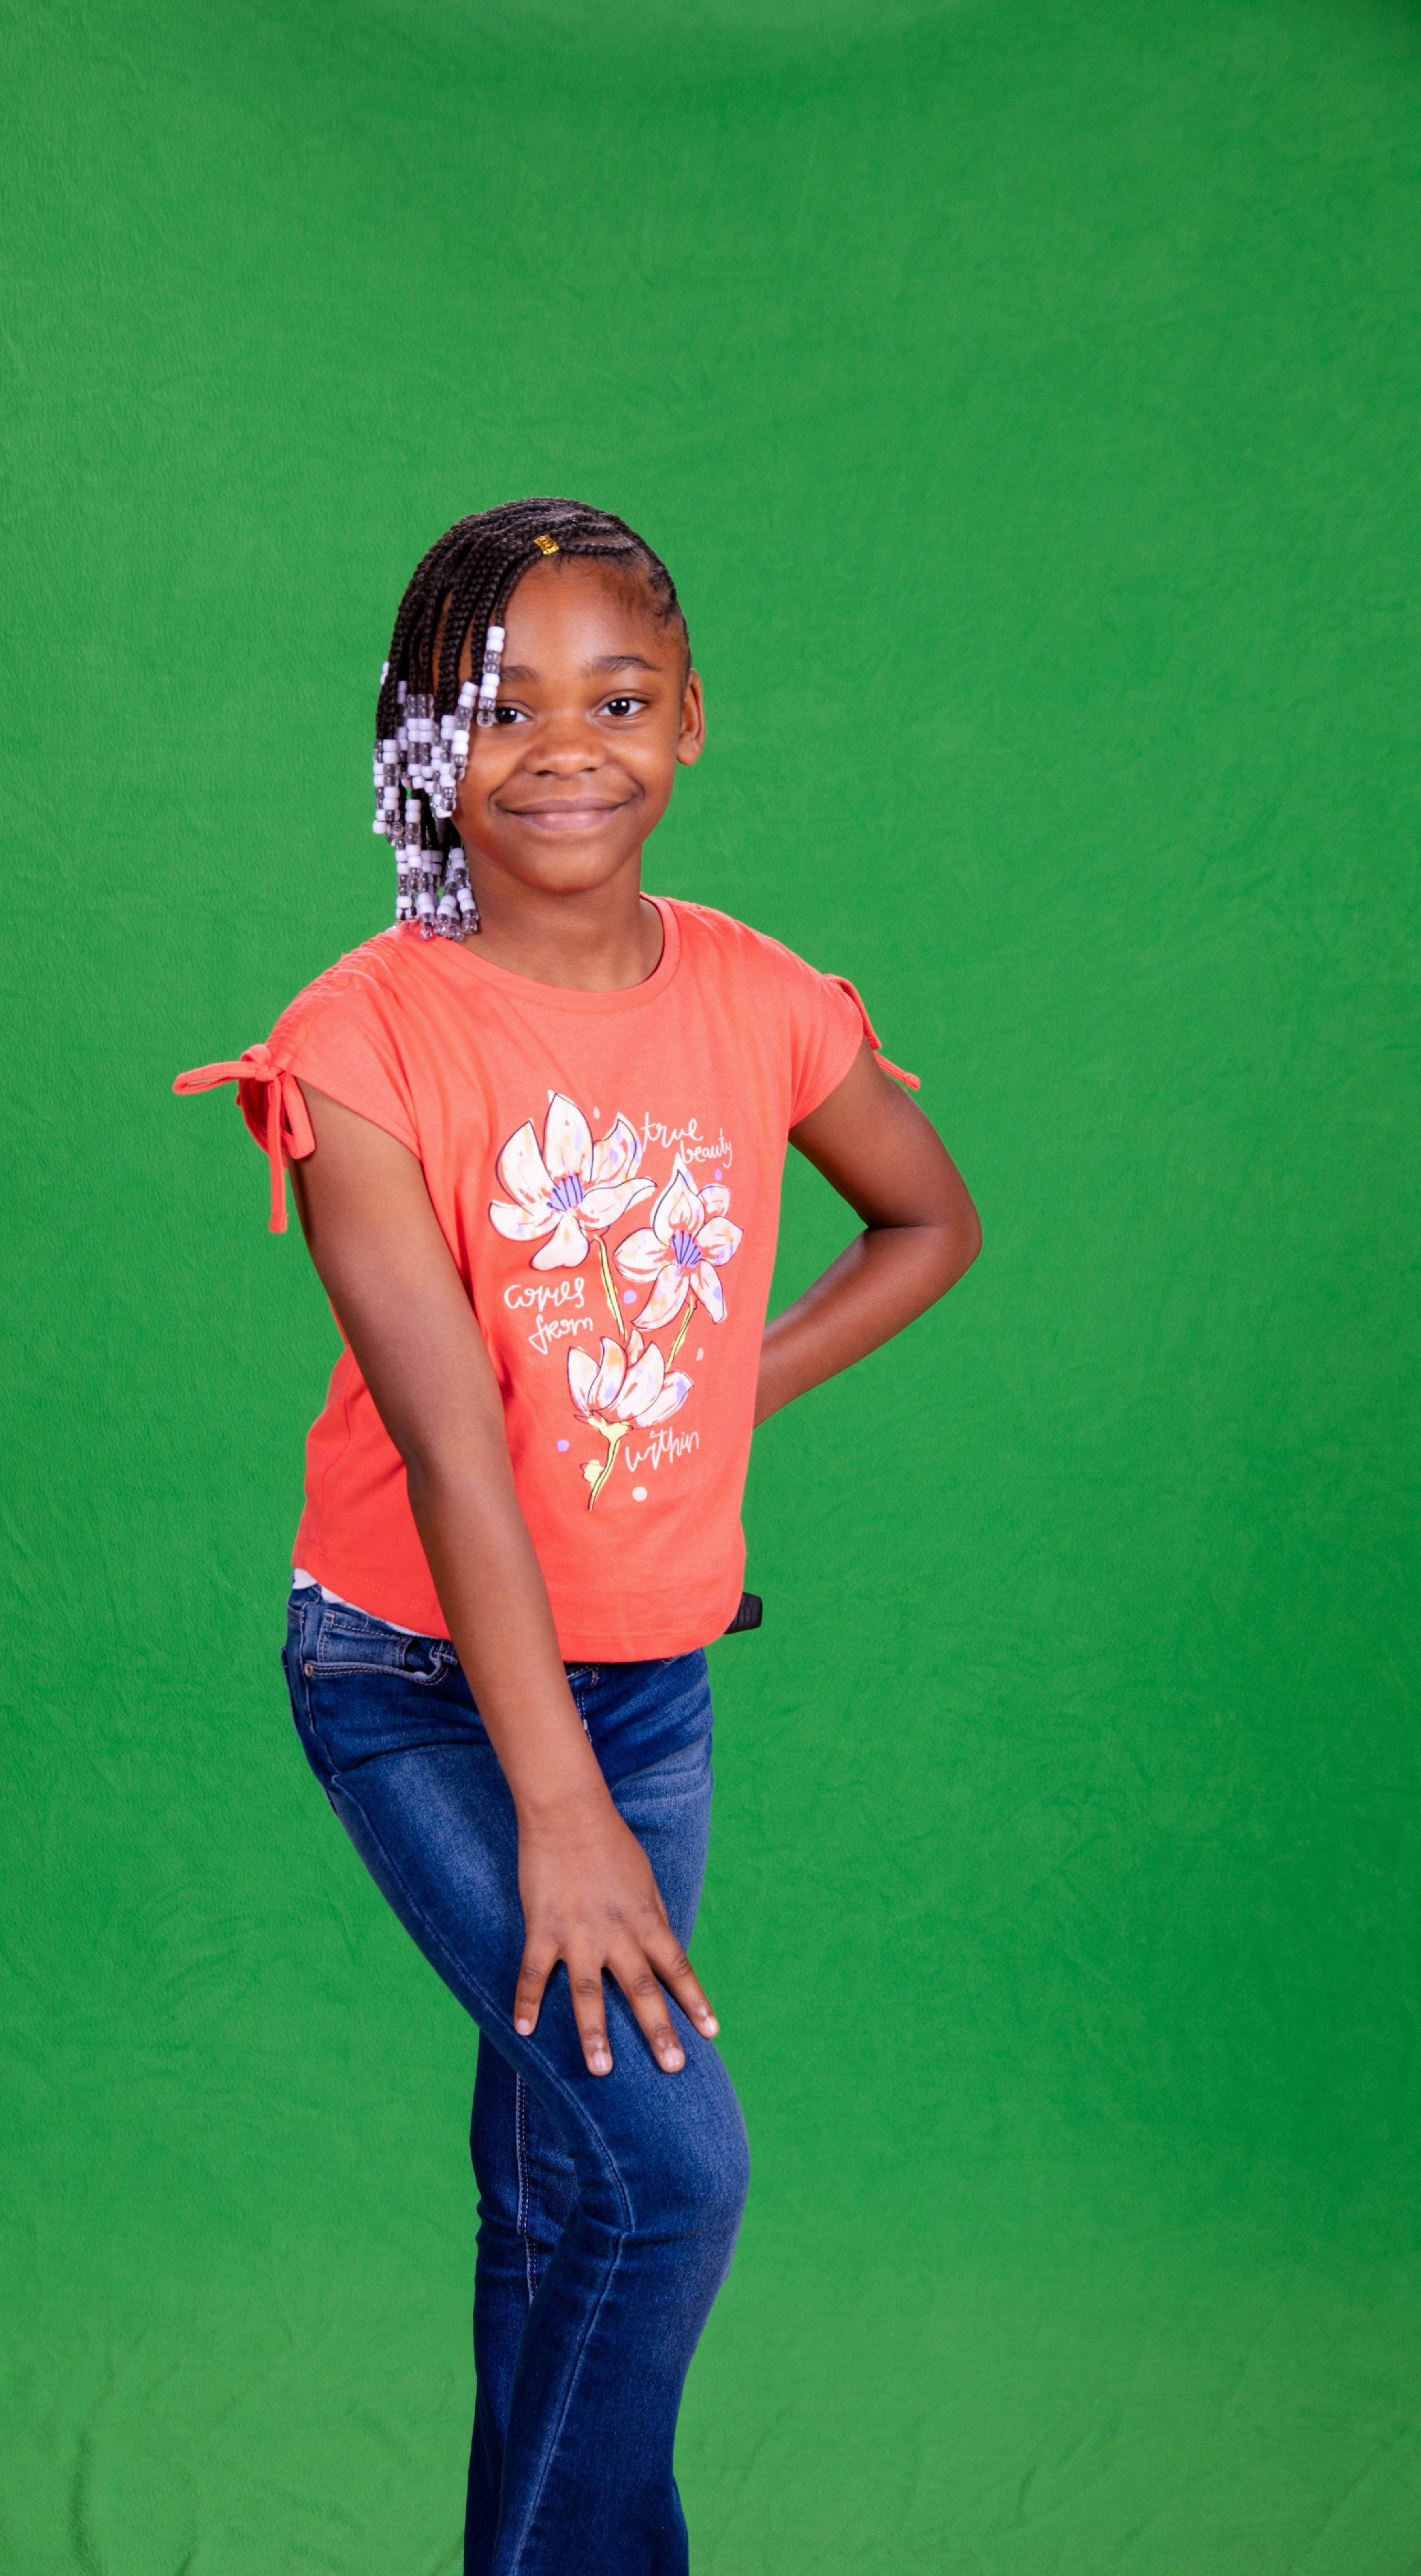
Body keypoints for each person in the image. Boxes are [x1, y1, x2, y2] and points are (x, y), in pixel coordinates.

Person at [175, 498, 980, 2575]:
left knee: (562, 2204)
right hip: (421, 1688)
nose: (564, 747)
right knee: (671, 2177)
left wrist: (715, 1392)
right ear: (419, 741)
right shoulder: (363, 1044)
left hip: (651, 1681)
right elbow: (458, 1452)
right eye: (500, 705)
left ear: (691, 719)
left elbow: (928, 1220)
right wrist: (558, 1811)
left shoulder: (759, 999)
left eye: (617, 700)